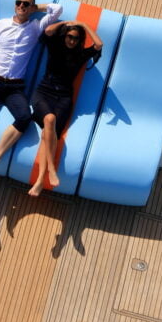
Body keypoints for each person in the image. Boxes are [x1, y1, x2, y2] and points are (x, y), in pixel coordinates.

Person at [0, 0, 62, 187]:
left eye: (26, 4)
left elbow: (57, 9)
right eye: (19, 2)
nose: (21, 6)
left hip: (14, 86)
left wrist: (39, 8)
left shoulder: (36, 27)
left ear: (31, 8)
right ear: (14, 4)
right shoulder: (0, 25)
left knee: (24, 117)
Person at [28, 21, 103, 197]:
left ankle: (39, 181)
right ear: (65, 36)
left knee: (49, 135)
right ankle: (51, 169)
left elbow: (99, 44)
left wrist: (84, 25)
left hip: (64, 98)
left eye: (76, 38)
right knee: (50, 120)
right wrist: (66, 23)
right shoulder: (55, 46)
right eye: (69, 36)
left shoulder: (80, 55)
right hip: (44, 92)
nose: (72, 40)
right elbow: (48, 31)